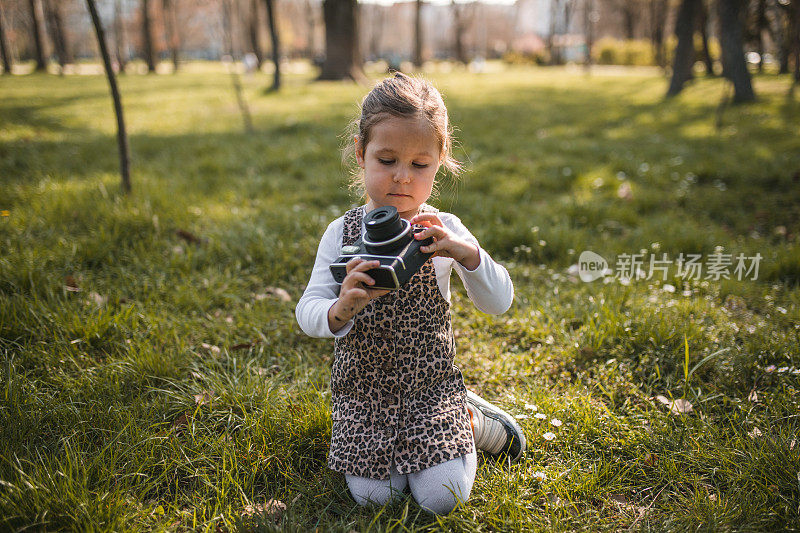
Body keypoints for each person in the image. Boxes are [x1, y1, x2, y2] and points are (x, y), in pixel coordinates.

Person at [295, 72, 526, 516]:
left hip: (430, 388)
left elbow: (499, 302)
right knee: (375, 499)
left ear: (440, 162)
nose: (402, 178)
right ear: (361, 155)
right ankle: (458, 424)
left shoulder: (443, 230)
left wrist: (468, 255)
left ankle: (471, 419)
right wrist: (339, 309)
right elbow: (307, 309)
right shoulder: (342, 234)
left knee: (442, 498)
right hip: (365, 395)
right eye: (386, 160)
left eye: (420, 165)